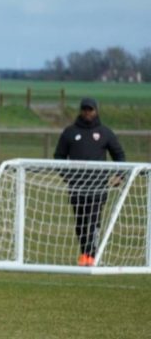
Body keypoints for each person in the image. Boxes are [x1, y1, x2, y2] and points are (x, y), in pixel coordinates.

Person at [53, 96, 126, 266]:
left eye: (90, 109)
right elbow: (58, 157)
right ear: (81, 111)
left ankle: (92, 255)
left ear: (96, 111)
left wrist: (120, 175)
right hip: (77, 187)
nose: (87, 112)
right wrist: (68, 177)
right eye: (85, 109)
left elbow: (119, 155)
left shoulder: (105, 133)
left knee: (93, 222)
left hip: (98, 187)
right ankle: (84, 253)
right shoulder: (70, 132)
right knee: (81, 224)